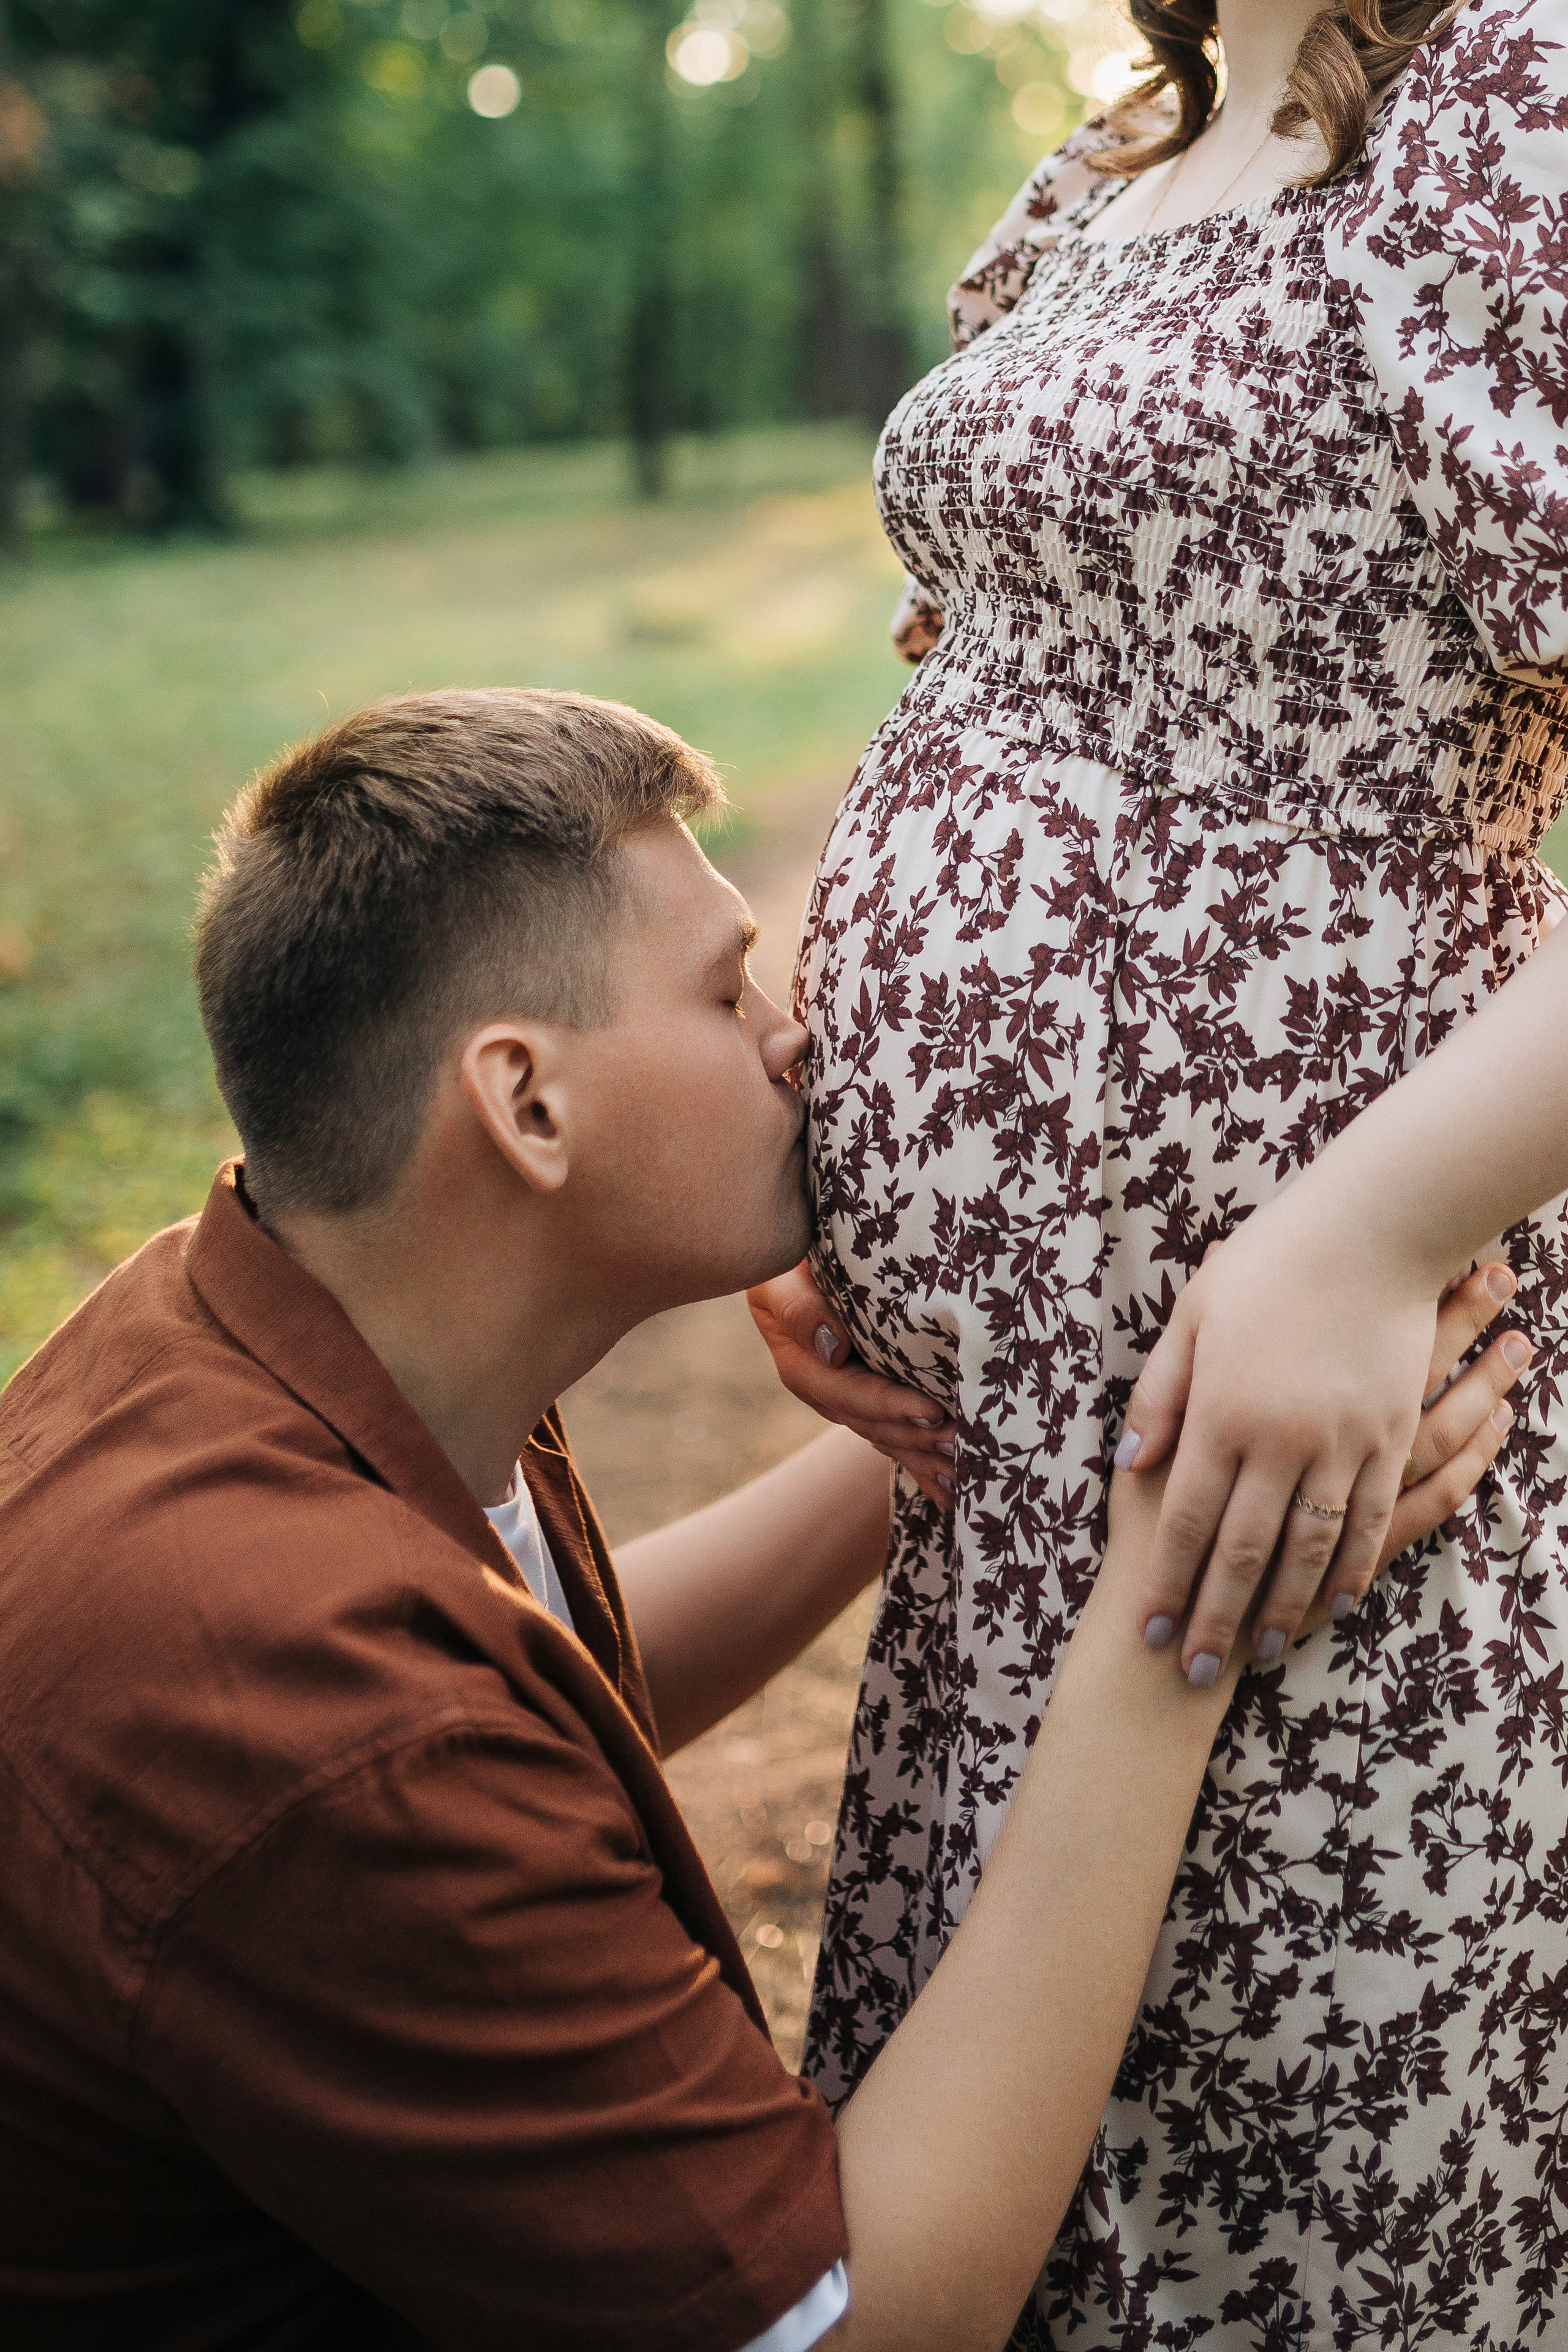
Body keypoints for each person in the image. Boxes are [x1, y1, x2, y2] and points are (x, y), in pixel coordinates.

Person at [0, 688, 1519, 2352]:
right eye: (727, 989)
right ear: (527, 1107)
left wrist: (936, 1453)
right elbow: (865, 2327)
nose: (798, 1033)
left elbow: (540, 1685)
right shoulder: (311, 1714)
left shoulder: (230, 1342)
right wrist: (1189, 1597)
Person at [753, 0, 1568, 2341]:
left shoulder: (1500, 87)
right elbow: (996, 693)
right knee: (1026, 2166)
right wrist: (837, 1156)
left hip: (1323, 1435)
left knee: (1291, 2194)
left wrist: (1368, 1231)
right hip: (1002, 1482)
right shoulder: (1129, 152)